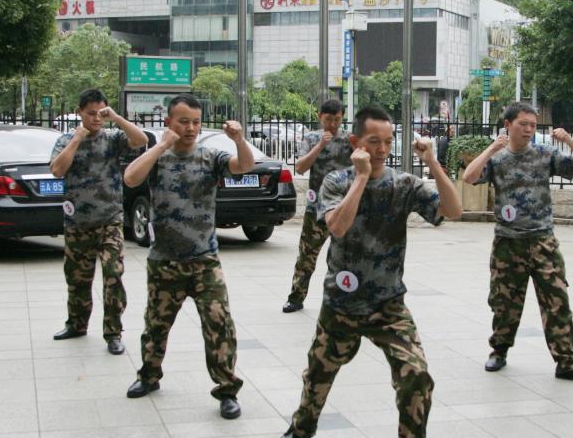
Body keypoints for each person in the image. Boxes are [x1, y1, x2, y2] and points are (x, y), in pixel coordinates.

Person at [274, 106, 462, 438]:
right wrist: (360, 178)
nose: (381, 150)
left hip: (388, 304)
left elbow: (454, 211)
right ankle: (303, 426)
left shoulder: (404, 183)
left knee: (416, 375)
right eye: (373, 141)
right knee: (318, 374)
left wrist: (433, 163)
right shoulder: (337, 181)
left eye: (387, 142)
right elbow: (338, 227)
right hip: (341, 304)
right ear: (355, 143)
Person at [122, 94, 253, 420]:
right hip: (164, 260)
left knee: (219, 324)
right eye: (183, 122)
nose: (191, 128)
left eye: (196, 122)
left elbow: (245, 166)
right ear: (169, 122)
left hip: (204, 260)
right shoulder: (158, 157)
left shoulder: (210, 157)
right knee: (156, 325)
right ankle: (149, 375)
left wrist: (239, 140)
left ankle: (227, 390)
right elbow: (131, 178)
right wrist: (160, 146)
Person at [462, 102, 573, 383]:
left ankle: (566, 362)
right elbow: (469, 177)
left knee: (557, 301)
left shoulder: (545, 154)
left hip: (543, 240)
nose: (529, 130)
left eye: (533, 125)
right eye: (523, 124)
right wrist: (491, 149)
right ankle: (499, 351)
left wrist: (570, 141)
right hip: (508, 243)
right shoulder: (498, 159)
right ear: (508, 125)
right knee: (504, 302)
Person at [50, 88, 148, 355]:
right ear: (80, 112)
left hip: (110, 221)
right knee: (77, 279)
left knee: (113, 275)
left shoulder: (113, 138)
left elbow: (140, 140)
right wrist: (76, 139)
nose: (96, 118)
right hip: (77, 222)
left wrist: (116, 118)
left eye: (100, 114)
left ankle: (113, 332)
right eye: (91, 113)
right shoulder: (65, 140)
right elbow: (57, 170)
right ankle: (76, 324)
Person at [283, 99, 353, 313]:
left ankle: (343, 301)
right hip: (316, 210)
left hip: (343, 211)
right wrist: (320, 145)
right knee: (306, 256)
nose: (333, 124)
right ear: (320, 116)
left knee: (344, 259)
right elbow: (300, 167)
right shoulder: (312, 138)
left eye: (337, 120)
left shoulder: (350, 140)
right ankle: (296, 297)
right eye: (329, 119)